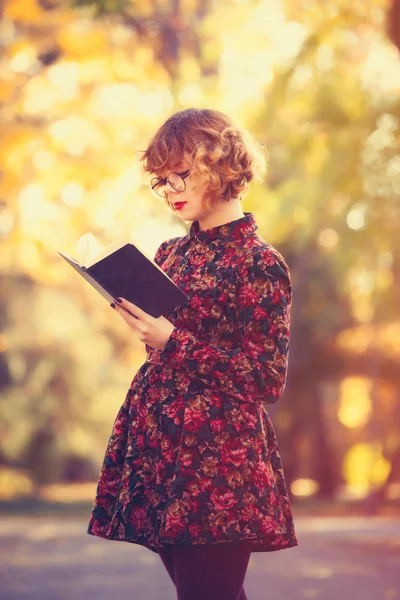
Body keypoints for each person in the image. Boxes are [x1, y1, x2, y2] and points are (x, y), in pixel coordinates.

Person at [87, 108, 299, 600]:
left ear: (222, 164)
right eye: (162, 181)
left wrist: (171, 341)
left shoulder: (260, 263)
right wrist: (144, 326)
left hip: (218, 461)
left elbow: (266, 381)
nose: (171, 190)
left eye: (181, 173)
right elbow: (163, 347)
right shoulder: (169, 254)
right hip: (160, 451)